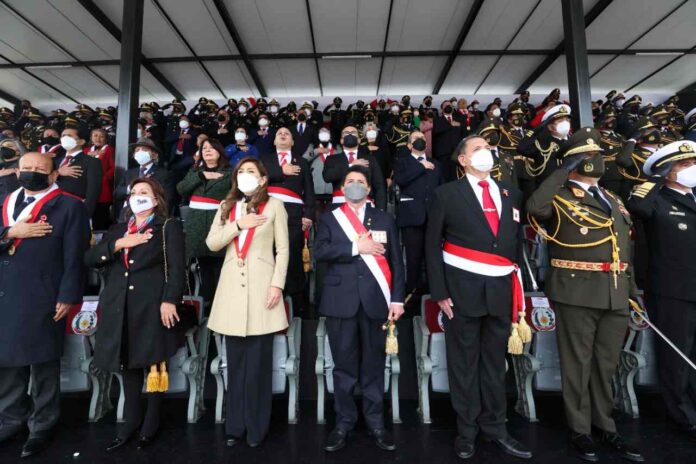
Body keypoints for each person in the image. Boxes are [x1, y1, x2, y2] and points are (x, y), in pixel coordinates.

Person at [526, 128, 644, 462]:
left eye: (598, 155)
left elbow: (623, 249)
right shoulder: (560, 195)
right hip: (576, 291)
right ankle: (580, 429)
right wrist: (562, 171)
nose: (595, 161)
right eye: (586, 156)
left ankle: (605, 425)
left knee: (605, 364)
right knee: (577, 363)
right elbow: (535, 207)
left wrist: (633, 293)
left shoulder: (615, 200)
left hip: (615, 292)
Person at [425, 135, 532, 461]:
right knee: (464, 364)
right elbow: (432, 245)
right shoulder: (446, 194)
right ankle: (467, 431)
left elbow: (514, 245)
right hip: (461, 292)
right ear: (463, 160)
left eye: (488, 148)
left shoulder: (511, 193)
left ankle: (496, 428)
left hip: (500, 291)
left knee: (495, 364)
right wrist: (440, 292)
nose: (486, 153)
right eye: (478, 149)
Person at [85, 177, 185, 452]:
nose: (138, 196)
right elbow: (91, 258)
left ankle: (151, 423)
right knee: (127, 364)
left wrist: (169, 300)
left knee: (155, 366)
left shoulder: (167, 226)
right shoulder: (119, 228)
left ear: (156, 200)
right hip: (119, 306)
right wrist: (119, 244)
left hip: (152, 306)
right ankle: (130, 422)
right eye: (134, 192)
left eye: (145, 192)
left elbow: (177, 268)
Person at [0, 152, 90, 459]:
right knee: (8, 363)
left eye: (40, 169)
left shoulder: (69, 205)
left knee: (43, 365)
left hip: (44, 295)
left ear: (54, 175)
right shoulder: (5, 200)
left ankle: (41, 426)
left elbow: (74, 256)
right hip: (5, 294)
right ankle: (10, 420)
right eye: (26, 168)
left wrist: (68, 295)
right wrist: (11, 232)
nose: (31, 173)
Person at [314, 165, 405, 453]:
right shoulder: (329, 218)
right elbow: (319, 253)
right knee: (343, 368)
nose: (355, 185)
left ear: (368, 189)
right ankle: (343, 422)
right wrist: (356, 248)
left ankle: (376, 422)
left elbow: (397, 263)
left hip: (376, 301)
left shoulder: (384, 219)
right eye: (350, 181)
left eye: (360, 181)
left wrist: (397, 299)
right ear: (342, 187)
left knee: (374, 367)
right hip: (340, 303)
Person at [206, 157, 289, 448]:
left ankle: (257, 427)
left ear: (263, 179)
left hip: (263, 290)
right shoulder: (227, 207)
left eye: (251, 172)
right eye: (241, 172)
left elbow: (284, 249)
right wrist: (238, 224)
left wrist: (277, 284)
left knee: (257, 367)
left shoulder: (275, 205)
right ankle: (235, 426)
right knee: (235, 365)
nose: (245, 176)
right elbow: (212, 243)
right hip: (231, 291)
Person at [627, 140, 696, 441]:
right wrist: (656, 179)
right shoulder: (656, 198)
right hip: (672, 288)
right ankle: (682, 415)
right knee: (677, 356)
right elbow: (637, 207)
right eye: (683, 165)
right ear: (667, 171)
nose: (691, 170)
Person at [259, 128, 315, 307]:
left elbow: (309, 191)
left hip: (294, 214)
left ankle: (296, 301)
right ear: (274, 141)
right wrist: (281, 171)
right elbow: (258, 180)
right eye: (279, 134)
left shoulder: (303, 162)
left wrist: (308, 215)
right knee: (268, 252)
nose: (283, 135)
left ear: (292, 142)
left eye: (287, 134)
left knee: (292, 255)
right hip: (266, 212)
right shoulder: (264, 160)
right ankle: (269, 294)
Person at [176, 139, 231, 301]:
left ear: (219, 151)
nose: (207, 150)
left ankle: (221, 302)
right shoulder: (195, 172)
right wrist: (201, 175)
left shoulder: (229, 172)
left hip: (218, 221)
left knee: (219, 265)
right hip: (196, 223)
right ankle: (203, 303)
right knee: (201, 266)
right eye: (204, 148)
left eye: (211, 148)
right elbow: (181, 189)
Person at [393, 131, 444, 306]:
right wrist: (421, 167)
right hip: (412, 216)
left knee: (433, 256)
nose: (420, 140)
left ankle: (433, 294)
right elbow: (401, 180)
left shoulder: (436, 164)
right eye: (415, 139)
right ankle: (413, 295)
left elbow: (442, 189)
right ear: (409, 145)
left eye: (422, 138)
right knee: (413, 257)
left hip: (433, 217)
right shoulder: (402, 162)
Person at [323, 125, 386, 210]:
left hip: (366, 205)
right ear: (341, 140)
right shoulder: (332, 159)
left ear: (359, 140)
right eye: (346, 133)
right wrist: (350, 165)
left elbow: (379, 186)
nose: (350, 134)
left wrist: (380, 210)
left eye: (353, 133)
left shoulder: (370, 159)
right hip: (339, 205)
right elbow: (327, 177)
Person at [115, 138, 176, 218]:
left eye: (144, 150)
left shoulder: (164, 174)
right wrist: (130, 188)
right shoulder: (129, 173)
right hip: (127, 216)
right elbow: (117, 193)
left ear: (154, 155)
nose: (140, 152)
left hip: (151, 217)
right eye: (137, 150)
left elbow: (168, 199)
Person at [53, 126, 103, 218]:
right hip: (51, 207)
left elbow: (93, 192)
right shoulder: (54, 161)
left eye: (69, 136)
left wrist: (86, 213)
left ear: (81, 141)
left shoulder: (92, 162)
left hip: (74, 208)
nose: (64, 138)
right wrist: (58, 172)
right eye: (63, 135)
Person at [517, 104, 571, 188]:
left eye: (567, 119)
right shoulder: (542, 143)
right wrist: (537, 129)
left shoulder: (572, 143)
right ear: (549, 126)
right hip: (546, 189)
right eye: (560, 120)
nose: (565, 122)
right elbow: (522, 148)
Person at [84, 128, 115, 229]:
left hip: (102, 189)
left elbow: (113, 168)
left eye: (101, 136)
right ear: (91, 138)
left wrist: (103, 178)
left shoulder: (109, 150)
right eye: (95, 135)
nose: (98, 138)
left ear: (106, 139)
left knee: (100, 216)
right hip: (85, 188)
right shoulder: (85, 151)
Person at [433, 100, 464, 180]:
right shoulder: (437, 120)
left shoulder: (459, 119)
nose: (448, 107)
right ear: (442, 109)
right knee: (444, 176)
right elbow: (436, 131)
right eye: (446, 105)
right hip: (443, 153)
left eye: (450, 105)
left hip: (456, 152)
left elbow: (463, 133)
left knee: (456, 175)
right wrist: (450, 124)